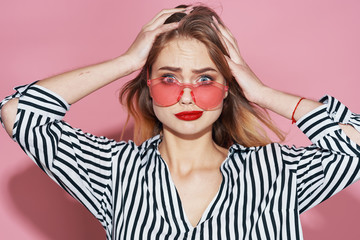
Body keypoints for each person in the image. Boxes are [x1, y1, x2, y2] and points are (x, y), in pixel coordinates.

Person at [1, 4, 360, 240]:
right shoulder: (113, 171)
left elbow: (354, 145)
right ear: (149, 88)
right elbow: (19, 112)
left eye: (205, 79)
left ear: (226, 90)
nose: (187, 96)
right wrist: (126, 62)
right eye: (170, 79)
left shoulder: (278, 171)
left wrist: (261, 91)